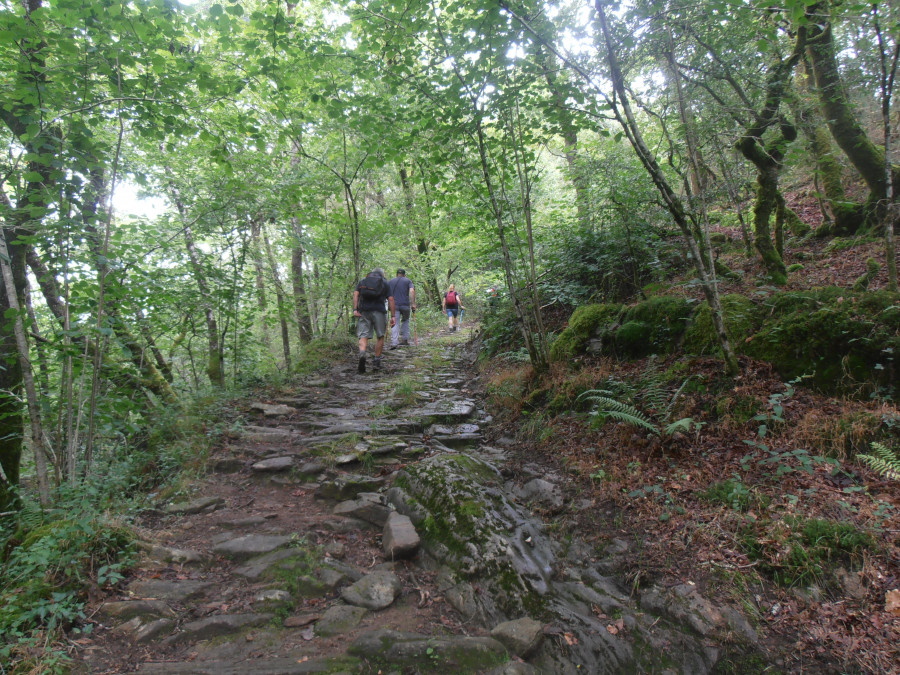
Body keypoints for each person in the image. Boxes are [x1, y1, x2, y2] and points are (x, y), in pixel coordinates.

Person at [353, 267, 395, 374]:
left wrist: (355, 309)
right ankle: (376, 361)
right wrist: (393, 316)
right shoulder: (385, 283)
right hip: (379, 312)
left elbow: (356, 294)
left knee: (363, 335)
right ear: (382, 274)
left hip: (364, 311)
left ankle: (362, 353)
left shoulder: (363, 281)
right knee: (380, 336)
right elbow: (390, 299)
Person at [388, 268, 416, 349]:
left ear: (397, 274)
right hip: (405, 305)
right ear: (404, 274)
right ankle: (405, 340)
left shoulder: (391, 281)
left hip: (394, 305)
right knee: (405, 321)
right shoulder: (408, 281)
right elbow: (412, 291)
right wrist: (413, 303)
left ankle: (394, 342)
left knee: (395, 322)